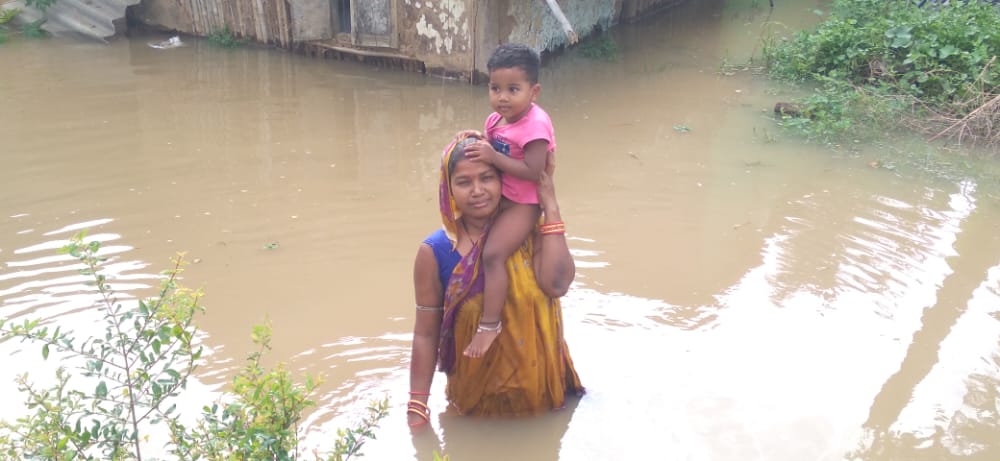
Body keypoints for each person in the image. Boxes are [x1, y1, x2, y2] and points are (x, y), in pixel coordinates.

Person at [406, 134, 582, 426]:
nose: (477, 190)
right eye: (464, 182)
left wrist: (549, 205)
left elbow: (558, 285)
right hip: (475, 412)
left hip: (546, 406)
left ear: (504, 179)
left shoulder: (531, 233)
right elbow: (426, 334)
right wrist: (417, 406)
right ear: (447, 189)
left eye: (487, 178)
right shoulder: (436, 252)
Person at [461, 43, 557, 359]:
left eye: (513, 89)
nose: (502, 97)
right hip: (502, 195)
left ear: (534, 91)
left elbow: (533, 171)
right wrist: (477, 140)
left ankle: (490, 325)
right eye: (495, 88)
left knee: (492, 255)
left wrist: (492, 156)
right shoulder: (495, 120)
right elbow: (493, 147)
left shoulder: (535, 126)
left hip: (524, 204)